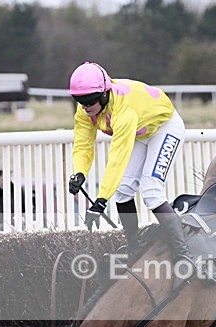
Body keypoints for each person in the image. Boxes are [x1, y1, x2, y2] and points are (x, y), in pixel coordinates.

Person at [67, 61, 192, 267]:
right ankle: (134, 248)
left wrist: (100, 201)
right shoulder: (84, 112)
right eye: (80, 102)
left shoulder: (123, 112)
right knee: (123, 191)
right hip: (141, 132)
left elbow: (117, 158)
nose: (85, 107)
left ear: (104, 95)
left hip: (164, 127)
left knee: (151, 191)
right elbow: (82, 146)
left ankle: (184, 253)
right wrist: (79, 173)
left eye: (89, 101)